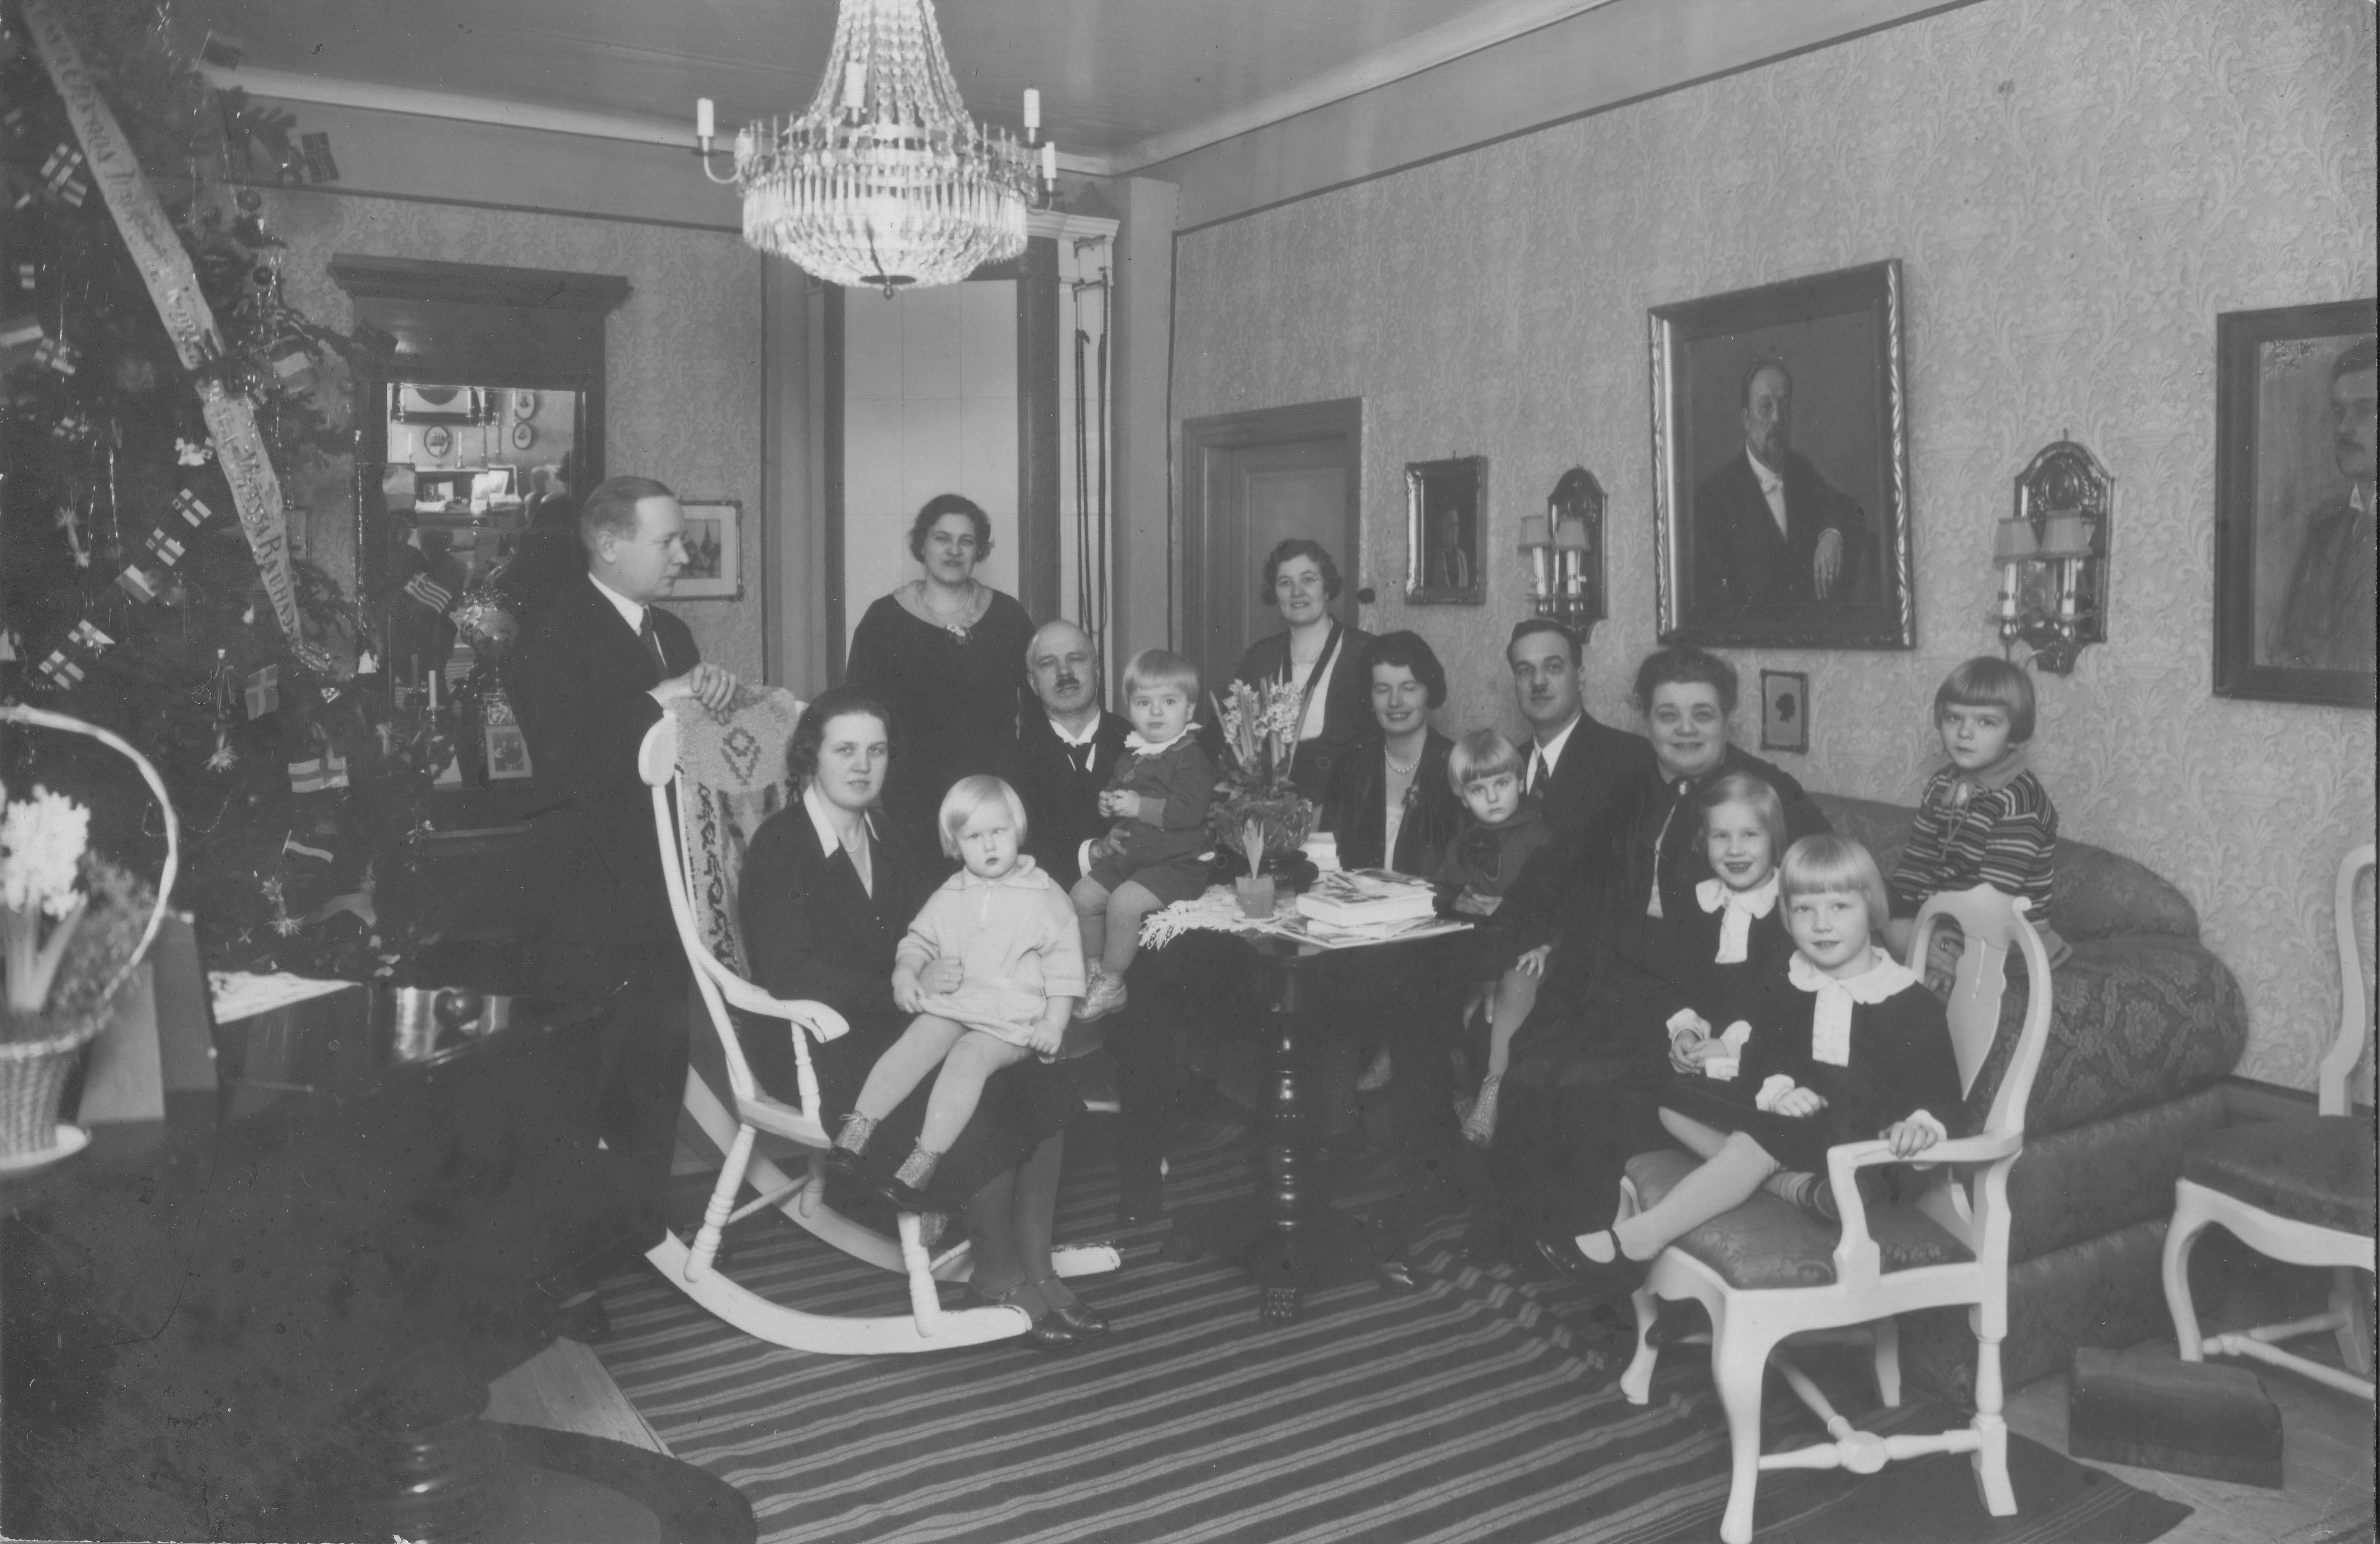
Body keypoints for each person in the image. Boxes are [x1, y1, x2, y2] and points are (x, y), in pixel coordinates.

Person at [739, 689, 1102, 1347]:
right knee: (981, 1097)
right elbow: (789, 974)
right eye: (845, 750)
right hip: (820, 1037)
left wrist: (1018, 979)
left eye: (876, 751)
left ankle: (1040, 1269)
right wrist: (907, 990)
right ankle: (998, 1277)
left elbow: (942, 930)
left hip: (912, 1019)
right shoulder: (780, 845)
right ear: (811, 756)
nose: (862, 765)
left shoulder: (889, 835)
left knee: (1040, 1078)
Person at [1475, 645, 1828, 1263]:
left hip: (1704, 997)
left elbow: (1828, 876)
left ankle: (1602, 1253)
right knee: (1536, 1066)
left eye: (1702, 715)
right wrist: (1497, 947)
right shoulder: (1622, 785)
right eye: (1669, 715)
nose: (1685, 730)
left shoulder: (1764, 791)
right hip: (1608, 978)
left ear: (1727, 719)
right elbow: (1554, 871)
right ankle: (1531, 1244)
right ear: (1646, 718)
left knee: (1601, 1087)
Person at [1541, 835, 1966, 1302]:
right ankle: (1796, 1188)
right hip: (1801, 1131)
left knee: (1753, 1142)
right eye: (1804, 910)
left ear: (1873, 909)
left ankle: (1638, 1240)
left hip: (1867, 1155)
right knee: (1672, 1103)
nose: (1821, 924)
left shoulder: (1908, 1001)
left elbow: (1939, 1095)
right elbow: (1767, 1058)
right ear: (1786, 914)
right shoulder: (1795, 981)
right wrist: (1780, 1090)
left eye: (1839, 907)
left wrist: (1918, 1126)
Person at [509, 476, 741, 1258]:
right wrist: (664, 697)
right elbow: (569, 760)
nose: (682, 554)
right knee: (583, 1081)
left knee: (655, 1069)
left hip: (663, 891)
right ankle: (564, 1260)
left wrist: (711, 699)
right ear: (609, 545)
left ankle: (638, 1232)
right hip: (586, 899)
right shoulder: (550, 631)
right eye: (666, 541)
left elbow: (691, 757)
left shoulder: (672, 632)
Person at [824, 777, 1085, 1208]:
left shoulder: (1044, 894)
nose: (989, 845)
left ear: (1017, 830)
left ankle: (923, 1160)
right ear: (955, 844)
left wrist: (1053, 1024)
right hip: (957, 1004)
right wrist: (906, 975)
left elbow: (1065, 967)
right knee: (918, 1039)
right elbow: (918, 941)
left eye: (998, 831)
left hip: (1011, 1019)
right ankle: (859, 1128)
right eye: (974, 837)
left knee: (969, 1056)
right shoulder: (952, 892)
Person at [844, 493, 1037, 860]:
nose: (954, 551)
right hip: (911, 794)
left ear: (979, 551)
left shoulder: (1007, 615)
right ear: (922, 545)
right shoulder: (884, 619)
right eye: (942, 539)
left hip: (993, 788)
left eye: (967, 541)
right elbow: (859, 713)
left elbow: (1037, 703)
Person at [1886, 656, 2066, 964]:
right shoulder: (1941, 785)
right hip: (1946, 924)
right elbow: (1917, 865)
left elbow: (1993, 900)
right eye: (1953, 718)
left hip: (2007, 941)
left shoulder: (2019, 801)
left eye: (1986, 722)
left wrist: (1930, 939)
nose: (1964, 733)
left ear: (2014, 732)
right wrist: (1901, 919)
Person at [1073, 649, 1218, 1021]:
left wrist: (1139, 807)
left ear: (1189, 709)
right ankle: (1094, 971)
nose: (1156, 713)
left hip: (1177, 865)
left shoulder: (1191, 757)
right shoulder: (1134, 753)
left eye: (1169, 702)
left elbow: (1189, 810)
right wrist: (1108, 802)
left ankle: (1113, 983)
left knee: (1123, 904)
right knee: (1082, 897)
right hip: (1133, 859)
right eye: (1143, 703)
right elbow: (1120, 788)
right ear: (1130, 708)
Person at [1430, 730, 1556, 1146]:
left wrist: (1546, 946)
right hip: (1476, 950)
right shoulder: (1460, 844)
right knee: (1436, 979)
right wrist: (1455, 901)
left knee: (1519, 978)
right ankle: (1451, 1080)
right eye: (1478, 790)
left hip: (1526, 948)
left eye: (1502, 784)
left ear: (1520, 782)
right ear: (1463, 798)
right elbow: (1442, 891)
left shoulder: (1540, 838)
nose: (1493, 797)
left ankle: (1492, 1091)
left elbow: (1561, 905)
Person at [1693, 357, 1874, 607]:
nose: (1778, 418)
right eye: (1766, 407)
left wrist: (1832, 535)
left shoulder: (1800, 470)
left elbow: (1851, 511)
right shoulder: (1715, 496)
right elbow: (1715, 601)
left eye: (1784, 406)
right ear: (1745, 419)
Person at [1231, 539, 1376, 804]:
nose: (1297, 592)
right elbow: (1229, 733)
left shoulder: (1365, 651)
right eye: (1285, 583)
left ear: (1327, 588)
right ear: (1275, 593)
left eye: (1308, 580)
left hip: (1347, 804)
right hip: (1274, 807)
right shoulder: (1259, 657)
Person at [2269, 336, 2377, 674]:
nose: (2344, 428)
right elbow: (2287, 648)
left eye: (2366, 411)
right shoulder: (2323, 527)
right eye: (2339, 412)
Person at [1319, 631, 1462, 875]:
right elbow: (1327, 859)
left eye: (1409, 688)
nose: (1395, 702)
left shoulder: (1458, 766)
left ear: (1429, 692)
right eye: (1383, 690)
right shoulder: (1350, 766)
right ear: (1370, 697)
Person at [1013, 620, 1132, 890]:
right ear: (1033, 684)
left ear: (1097, 671)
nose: (1064, 672)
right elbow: (1019, 856)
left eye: (1075, 659)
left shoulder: (1140, 743)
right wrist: (1094, 853)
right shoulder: (1013, 762)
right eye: (1048, 664)